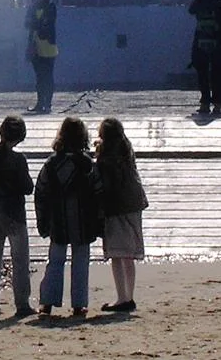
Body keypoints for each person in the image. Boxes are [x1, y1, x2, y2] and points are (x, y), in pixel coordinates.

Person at [34, 117, 103, 318]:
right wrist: (99, 221)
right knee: (80, 262)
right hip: (83, 221)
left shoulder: (52, 163)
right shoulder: (87, 164)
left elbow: (41, 192)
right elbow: (98, 192)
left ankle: (47, 302)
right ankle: (79, 304)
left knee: (55, 261)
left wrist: (42, 220)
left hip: (58, 220)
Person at [0, 115, 35, 318]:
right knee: (20, 260)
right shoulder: (18, 159)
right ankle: (22, 304)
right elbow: (28, 187)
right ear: (20, 136)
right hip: (14, 214)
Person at [95, 117, 148, 312]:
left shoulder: (105, 154)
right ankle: (129, 297)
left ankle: (121, 298)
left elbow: (104, 183)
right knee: (129, 255)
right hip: (134, 202)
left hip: (115, 206)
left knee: (116, 254)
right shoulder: (126, 149)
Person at [188, 0, 221, 114]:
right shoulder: (198, 2)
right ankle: (205, 102)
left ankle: (218, 103)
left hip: (217, 41)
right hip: (201, 42)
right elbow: (191, 10)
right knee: (202, 73)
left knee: (218, 73)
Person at [24, 0, 58, 114]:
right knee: (39, 76)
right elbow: (27, 24)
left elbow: (47, 23)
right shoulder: (32, 7)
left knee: (48, 75)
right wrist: (39, 23)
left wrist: (36, 23)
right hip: (35, 46)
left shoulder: (51, 6)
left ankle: (47, 103)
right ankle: (40, 103)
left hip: (48, 46)